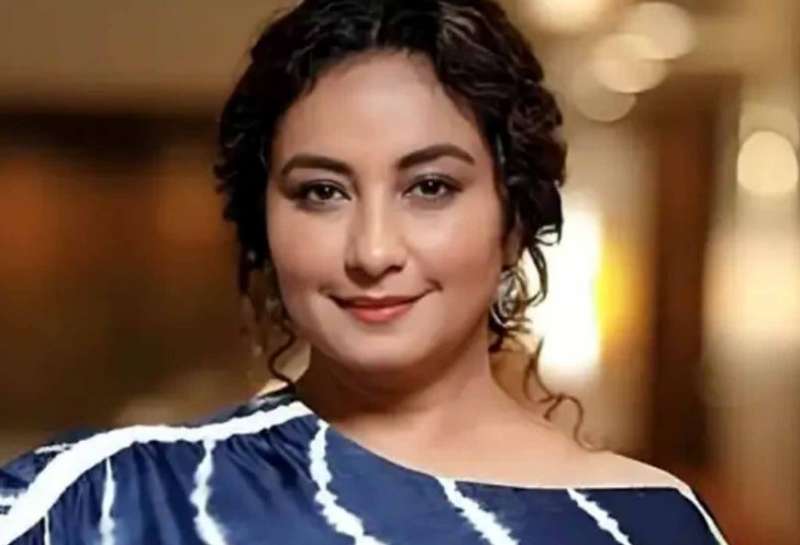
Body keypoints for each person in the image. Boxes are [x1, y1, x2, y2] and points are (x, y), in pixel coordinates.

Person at [0, 1, 729, 543]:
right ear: (263, 227)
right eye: (322, 192)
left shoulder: (648, 523)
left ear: (513, 218)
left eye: (430, 187)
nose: (373, 251)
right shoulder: (104, 504)